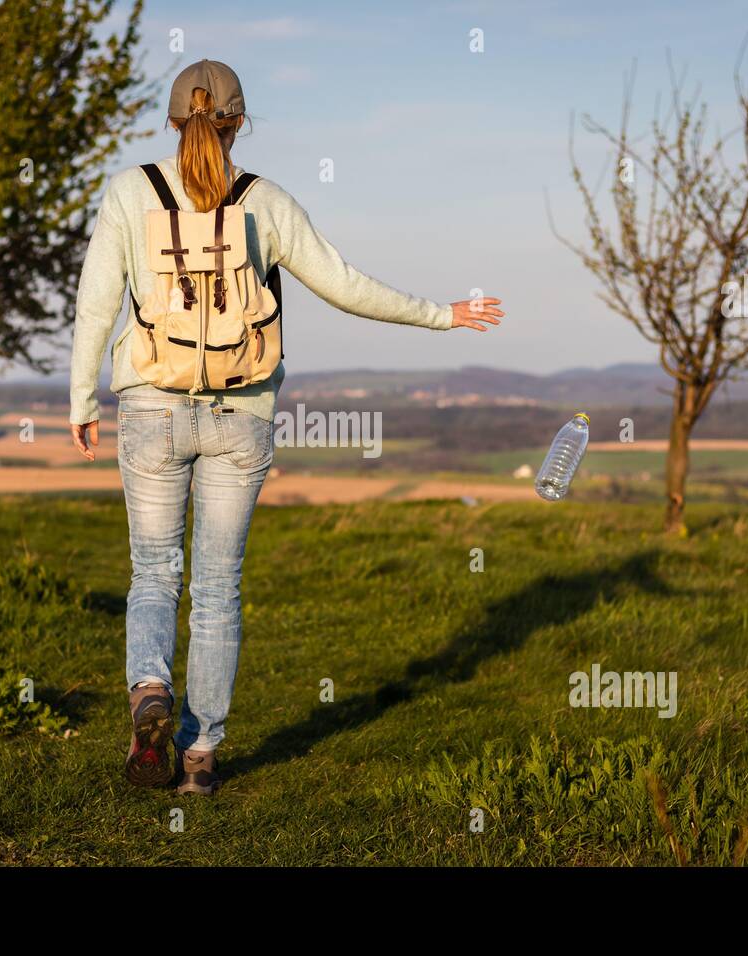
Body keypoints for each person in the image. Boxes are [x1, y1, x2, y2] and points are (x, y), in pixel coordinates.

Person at [69, 59, 503, 795]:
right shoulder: (263, 202)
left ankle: (149, 691)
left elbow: (95, 303)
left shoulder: (127, 192)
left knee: (153, 572)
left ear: (175, 121)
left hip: (150, 405)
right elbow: (343, 284)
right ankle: (199, 758)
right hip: (243, 414)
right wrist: (444, 314)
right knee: (217, 587)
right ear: (239, 123)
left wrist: (81, 398)